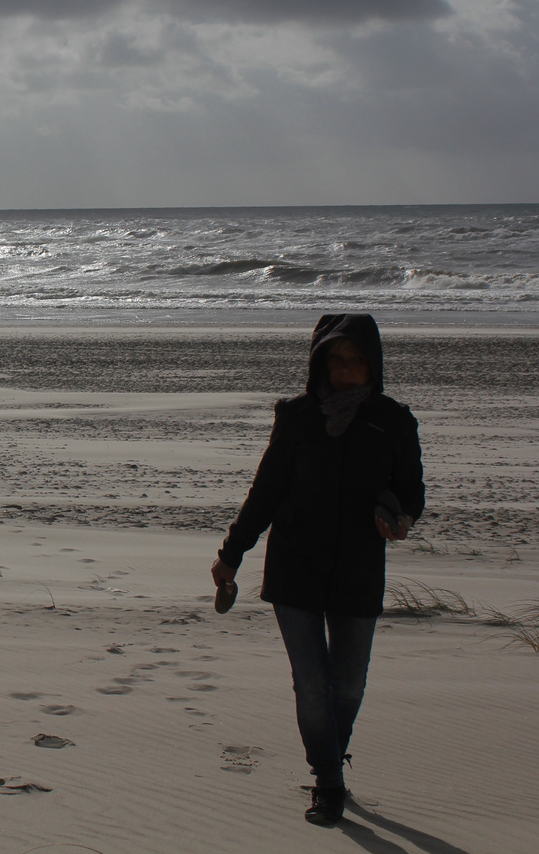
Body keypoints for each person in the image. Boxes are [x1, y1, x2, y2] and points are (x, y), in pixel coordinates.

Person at [210, 313, 424, 827]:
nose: (346, 369)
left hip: (358, 569)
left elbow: (412, 493)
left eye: (356, 360)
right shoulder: (298, 418)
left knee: (348, 685)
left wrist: (399, 518)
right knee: (311, 685)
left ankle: (331, 754)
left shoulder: (394, 421)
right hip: (295, 568)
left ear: (372, 365)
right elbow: (265, 493)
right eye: (336, 359)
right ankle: (328, 780)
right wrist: (231, 554)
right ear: (319, 362)